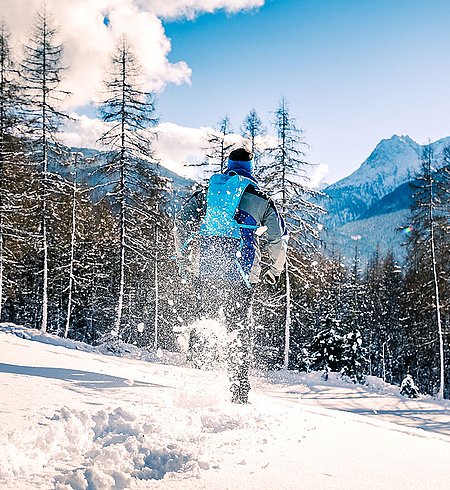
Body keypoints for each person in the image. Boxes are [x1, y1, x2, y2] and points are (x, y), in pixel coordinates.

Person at [174, 148, 288, 403]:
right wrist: (272, 271)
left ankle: (196, 379)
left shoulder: (208, 194)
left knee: (205, 320)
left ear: (228, 165)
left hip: (206, 270)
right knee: (238, 329)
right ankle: (239, 390)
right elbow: (277, 240)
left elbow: (180, 220)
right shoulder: (260, 199)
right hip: (241, 275)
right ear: (251, 168)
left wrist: (183, 258)